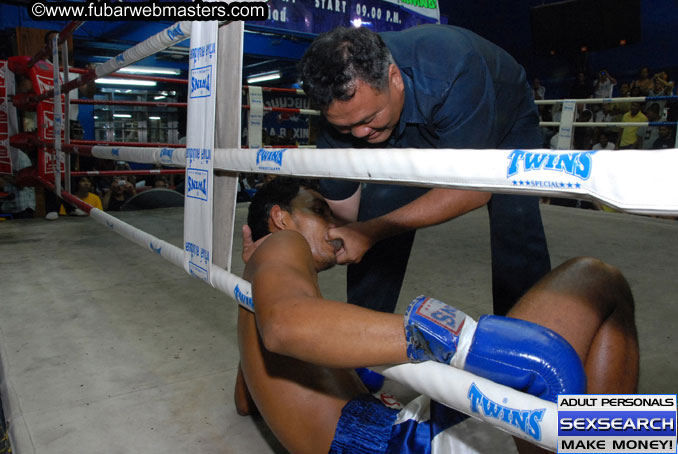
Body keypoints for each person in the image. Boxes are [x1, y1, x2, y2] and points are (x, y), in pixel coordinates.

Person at [238, 177, 639, 454]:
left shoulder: (254, 289)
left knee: (602, 416)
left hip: (387, 435)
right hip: (398, 444)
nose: (335, 223)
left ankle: (629, 433)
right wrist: (448, 336)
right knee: (596, 279)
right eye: (319, 210)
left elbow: (245, 400)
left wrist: (250, 285)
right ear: (280, 218)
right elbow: (284, 326)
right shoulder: (283, 243)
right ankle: (638, 431)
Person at [296, 25, 551, 317]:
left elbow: (472, 192)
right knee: (378, 206)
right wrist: (330, 243)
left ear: (394, 78)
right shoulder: (342, 120)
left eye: (368, 118)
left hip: (504, 118)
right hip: (413, 118)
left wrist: (369, 233)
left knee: (515, 220)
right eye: (345, 126)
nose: (359, 133)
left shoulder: (455, 68)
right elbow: (345, 213)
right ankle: (362, 329)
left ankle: (522, 339)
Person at [0, 148, 36, 219]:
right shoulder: (3, 157)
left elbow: (23, 184)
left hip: (23, 207)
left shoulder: (21, 158)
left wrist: (4, 175)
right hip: (7, 206)